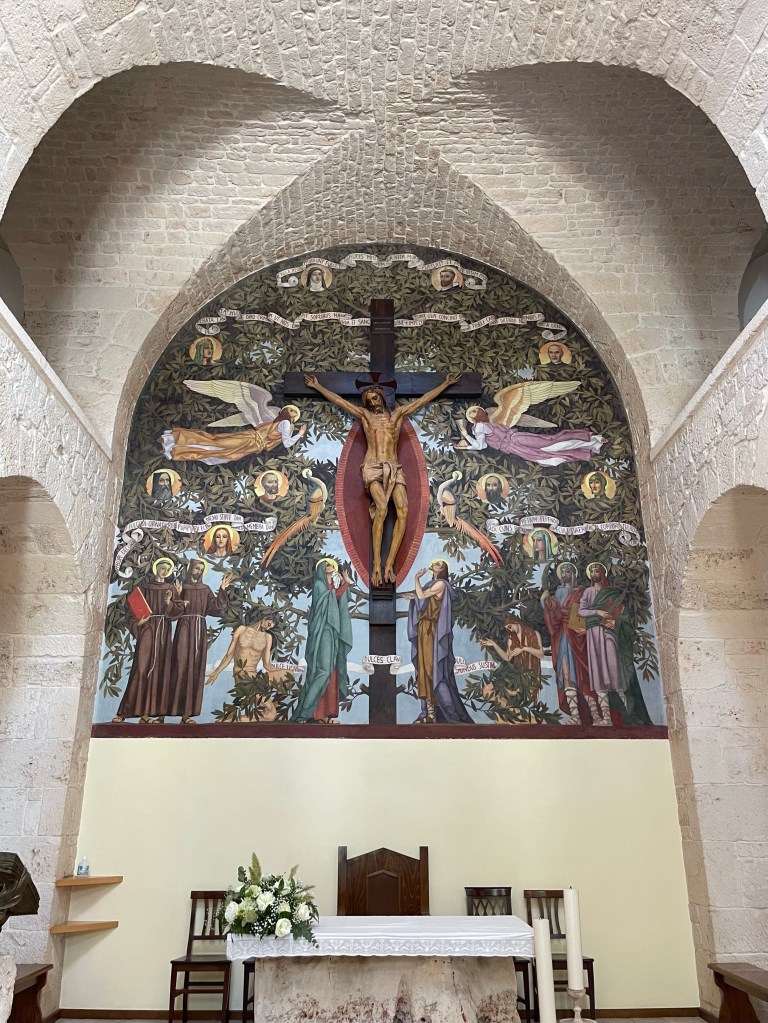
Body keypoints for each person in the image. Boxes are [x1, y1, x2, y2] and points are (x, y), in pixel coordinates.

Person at [304, 372, 460, 586]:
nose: (373, 403)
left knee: (403, 510)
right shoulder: (366, 417)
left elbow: (423, 400)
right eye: (368, 401)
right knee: (382, 508)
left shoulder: (397, 416)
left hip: (394, 467)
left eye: (375, 398)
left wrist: (445, 384)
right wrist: (317, 386)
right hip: (371, 467)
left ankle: (389, 563)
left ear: (382, 397)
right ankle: (377, 564)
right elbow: (340, 401)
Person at [578, 562, 652, 726]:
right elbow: (581, 611)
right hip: (593, 634)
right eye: (592, 571)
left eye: (597, 570)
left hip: (609, 633)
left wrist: (614, 621)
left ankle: (628, 715)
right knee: (598, 673)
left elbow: (622, 614)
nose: (594, 573)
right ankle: (607, 718)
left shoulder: (612, 593)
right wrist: (598, 612)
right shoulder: (588, 592)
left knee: (615, 672)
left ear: (603, 573)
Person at [112, 558, 185, 724]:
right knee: (141, 667)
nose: (164, 571)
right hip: (147, 629)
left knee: (161, 669)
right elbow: (131, 611)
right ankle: (128, 711)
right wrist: (139, 622)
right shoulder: (144, 588)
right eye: (162, 567)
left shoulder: (171, 589)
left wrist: (169, 602)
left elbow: (178, 611)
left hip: (164, 630)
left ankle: (152, 714)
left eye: (167, 569)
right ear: (156, 568)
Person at [405, 560, 472, 724]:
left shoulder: (441, 584)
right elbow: (420, 599)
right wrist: (413, 597)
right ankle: (430, 714)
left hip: (432, 631)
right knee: (424, 671)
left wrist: (416, 579)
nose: (434, 565)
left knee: (432, 671)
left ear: (442, 570)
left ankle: (449, 713)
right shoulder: (431, 584)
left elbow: (422, 596)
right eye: (434, 563)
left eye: (438, 564)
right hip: (423, 629)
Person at [165, 560, 232, 723]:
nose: (199, 571)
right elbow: (172, 611)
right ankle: (167, 711)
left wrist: (222, 589)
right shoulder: (182, 587)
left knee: (195, 668)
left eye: (201, 569)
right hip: (184, 628)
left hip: (199, 630)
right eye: (196, 568)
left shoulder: (205, 589)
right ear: (190, 569)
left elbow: (216, 607)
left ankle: (187, 714)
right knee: (179, 664)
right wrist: (177, 598)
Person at [292, 559, 353, 723]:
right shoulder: (319, 585)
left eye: (331, 564)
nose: (330, 566)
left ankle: (325, 714)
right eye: (326, 565)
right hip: (323, 631)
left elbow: (340, 600)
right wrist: (346, 584)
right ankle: (305, 713)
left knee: (332, 672)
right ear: (320, 569)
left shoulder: (331, 586)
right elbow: (331, 600)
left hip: (332, 632)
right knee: (323, 672)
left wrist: (342, 583)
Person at [206, 610, 292, 722]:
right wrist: (216, 673)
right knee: (271, 715)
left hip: (255, 676)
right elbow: (229, 655)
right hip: (243, 677)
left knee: (289, 675)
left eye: (272, 626)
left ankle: (274, 707)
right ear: (264, 619)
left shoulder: (267, 637)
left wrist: (282, 672)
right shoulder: (242, 630)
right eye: (269, 623)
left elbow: (267, 665)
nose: (269, 627)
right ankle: (229, 720)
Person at [541, 563, 598, 724]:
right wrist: (545, 601)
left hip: (579, 638)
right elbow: (553, 613)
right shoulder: (558, 592)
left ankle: (596, 715)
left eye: (567, 571)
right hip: (562, 637)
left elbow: (587, 612)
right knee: (566, 674)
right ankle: (575, 717)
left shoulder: (581, 592)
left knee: (583, 676)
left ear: (573, 574)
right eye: (562, 572)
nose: (564, 574)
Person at [458, 407, 604, 466]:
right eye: (471, 413)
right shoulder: (481, 426)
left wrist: (466, 436)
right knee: (545, 451)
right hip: (513, 443)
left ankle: (588, 441)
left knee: (547, 446)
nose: (473, 413)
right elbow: (482, 445)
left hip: (514, 441)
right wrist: (467, 438)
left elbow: (480, 446)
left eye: (474, 411)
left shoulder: (480, 427)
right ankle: (588, 445)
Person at [162, 406, 305, 465]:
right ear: (287, 412)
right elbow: (287, 443)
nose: (294, 414)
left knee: (222, 453)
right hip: (250, 441)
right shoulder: (285, 423)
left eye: (295, 413)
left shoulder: (281, 422)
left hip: (252, 444)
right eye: (293, 411)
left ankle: (177, 447)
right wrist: (300, 434)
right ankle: (176, 440)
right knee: (216, 444)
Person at [480, 612, 545, 702]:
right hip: (516, 674)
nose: (510, 630)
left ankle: (514, 696)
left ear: (516, 622)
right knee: (487, 691)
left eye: (510, 627)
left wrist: (524, 649)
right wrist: (494, 645)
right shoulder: (511, 638)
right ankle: (511, 704)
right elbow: (507, 658)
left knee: (511, 694)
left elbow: (541, 654)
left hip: (530, 676)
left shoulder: (534, 634)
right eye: (508, 629)